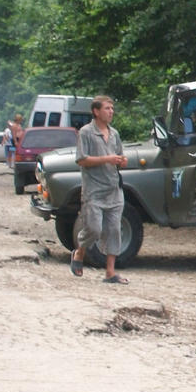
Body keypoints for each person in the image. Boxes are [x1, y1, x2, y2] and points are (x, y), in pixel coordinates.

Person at [70, 96, 129, 284]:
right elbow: (81, 160)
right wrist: (107, 159)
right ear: (96, 111)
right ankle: (79, 252)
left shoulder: (115, 134)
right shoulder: (86, 132)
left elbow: (119, 156)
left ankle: (110, 272)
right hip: (93, 191)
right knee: (94, 229)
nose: (111, 111)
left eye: (112, 108)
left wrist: (122, 161)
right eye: (107, 108)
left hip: (114, 190)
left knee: (114, 230)